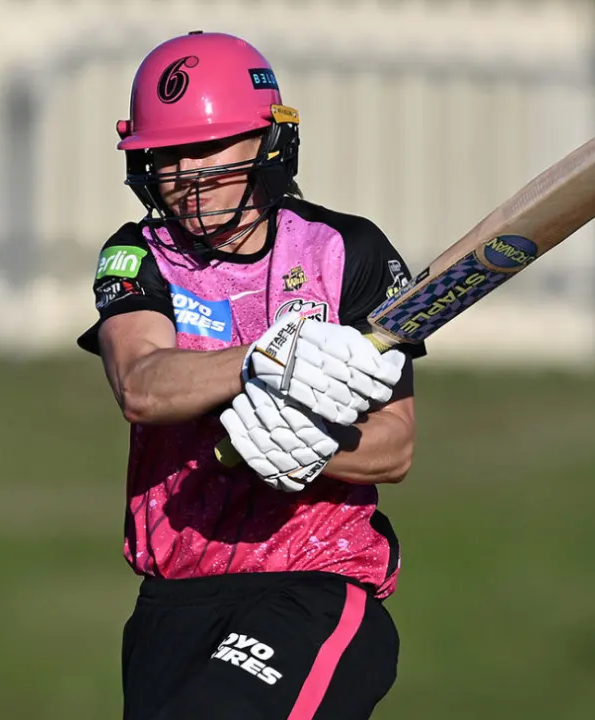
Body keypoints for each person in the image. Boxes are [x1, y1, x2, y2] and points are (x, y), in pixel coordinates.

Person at [76, 31, 423, 720]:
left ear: (267, 142)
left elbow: (396, 446)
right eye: (165, 156)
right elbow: (142, 385)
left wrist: (316, 444)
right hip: (173, 596)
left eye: (207, 150)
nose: (184, 175)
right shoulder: (134, 255)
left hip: (314, 584)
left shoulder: (344, 250)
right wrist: (268, 358)